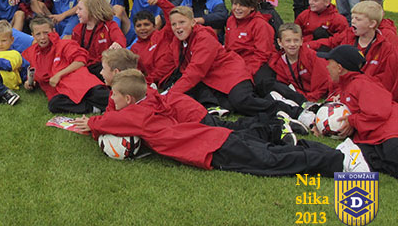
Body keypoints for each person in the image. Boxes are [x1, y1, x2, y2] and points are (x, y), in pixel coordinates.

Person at [74, 70, 349, 177]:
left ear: (129, 99)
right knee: (270, 153)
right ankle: (330, 155)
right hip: (212, 137)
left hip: (212, 147)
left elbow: (108, 121)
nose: (111, 99)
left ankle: (336, 161)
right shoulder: (149, 103)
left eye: (114, 95)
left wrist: (91, 123)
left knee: (271, 162)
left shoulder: (135, 116)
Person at [165, 6, 313, 123]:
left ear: (193, 22)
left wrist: (170, 95)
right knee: (230, 105)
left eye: (182, 22)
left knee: (243, 102)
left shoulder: (203, 38)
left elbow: (195, 71)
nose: (178, 27)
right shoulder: (179, 42)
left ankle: (295, 112)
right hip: (214, 80)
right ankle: (269, 98)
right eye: (174, 24)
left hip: (232, 74)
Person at [318, 44, 398, 175]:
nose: (327, 67)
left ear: (339, 68)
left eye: (329, 63)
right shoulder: (346, 86)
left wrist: (352, 120)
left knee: (391, 161)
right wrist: (321, 127)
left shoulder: (361, 83)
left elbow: (378, 112)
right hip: (376, 139)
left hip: (390, 135)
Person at [308, 0, 398, 100]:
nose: (353, 21)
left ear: (372, 24)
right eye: (352, 18)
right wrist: (338, 93)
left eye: (358, 19)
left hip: (368, 95)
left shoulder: (385, 47)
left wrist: (355, 91)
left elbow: (384, 79)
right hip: (342, 94)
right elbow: (337, 69)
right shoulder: (348, 37)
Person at [23, 17, 109, 114]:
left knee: (99, 95)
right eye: (38, 34)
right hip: (61, 92)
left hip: (79, 83)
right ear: (33, 35)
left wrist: (59, 75)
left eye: (46, 32)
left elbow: (80, 61)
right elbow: (34, 74)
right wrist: (30, 82)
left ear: (53, 31)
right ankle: (94, 108)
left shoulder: (64, 44)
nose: (42, 37)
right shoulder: (33, 53)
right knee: (54, 104)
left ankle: (109, 105)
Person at [264, 23, 330, 103]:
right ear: (280, 42)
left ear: (301, 41)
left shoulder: (312, 56)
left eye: (296, 40)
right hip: (301, 97)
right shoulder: (279, 63)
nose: (292, 44)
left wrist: (309, 98)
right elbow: (285, 87)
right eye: (288, 41)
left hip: (317, 95)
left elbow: (324, 81)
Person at [224, 0, 275, 81]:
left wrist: (246, 72)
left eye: (243, 5)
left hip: (253, 66)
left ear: (252, 7)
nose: (237, 8)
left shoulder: (260, 25)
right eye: (235, 4)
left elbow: (262, 54)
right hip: (234, 63)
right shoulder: (230, 20)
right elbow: (227, 46)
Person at [70, 0, 126, 77]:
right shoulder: (77, 30)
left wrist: (117, 44)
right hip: (84, 66)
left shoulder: (109, 26)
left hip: (104, 65)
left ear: (92, 10)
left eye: (80, 9)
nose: (76, 12)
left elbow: (120, 38)